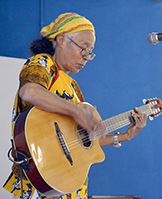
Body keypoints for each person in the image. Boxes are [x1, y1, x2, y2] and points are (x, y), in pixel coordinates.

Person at [3, 12, 147, 199]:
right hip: (38, 182)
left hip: (67, 187)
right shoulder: (42, 63)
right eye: (84, 49)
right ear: (61, 40)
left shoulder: (73, 87)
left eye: (90, 52)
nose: (87, 57)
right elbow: (30, 91)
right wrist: (75, 111)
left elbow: (85, 143)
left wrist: (126, 135)